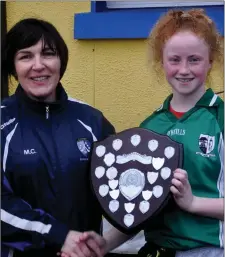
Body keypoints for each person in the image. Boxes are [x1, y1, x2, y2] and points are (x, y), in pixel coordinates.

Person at [75, 8, 224, 257]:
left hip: (209, 250)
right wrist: (102, 245)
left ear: (210, 61)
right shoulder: (150, 128)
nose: (184, 69)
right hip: (155, 250)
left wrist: (193, 203)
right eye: (175, 59)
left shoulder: (219, 118)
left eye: (194, 60)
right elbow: (138, 208)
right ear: (162, 61)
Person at [1, 18, 115, 257]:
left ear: (61, 61)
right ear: (13, 66)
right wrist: (58, 235)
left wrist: (107, 241)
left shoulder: (92, 121)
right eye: (25, 56)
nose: (38, 65)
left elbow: (117, 190)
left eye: (48, 54)